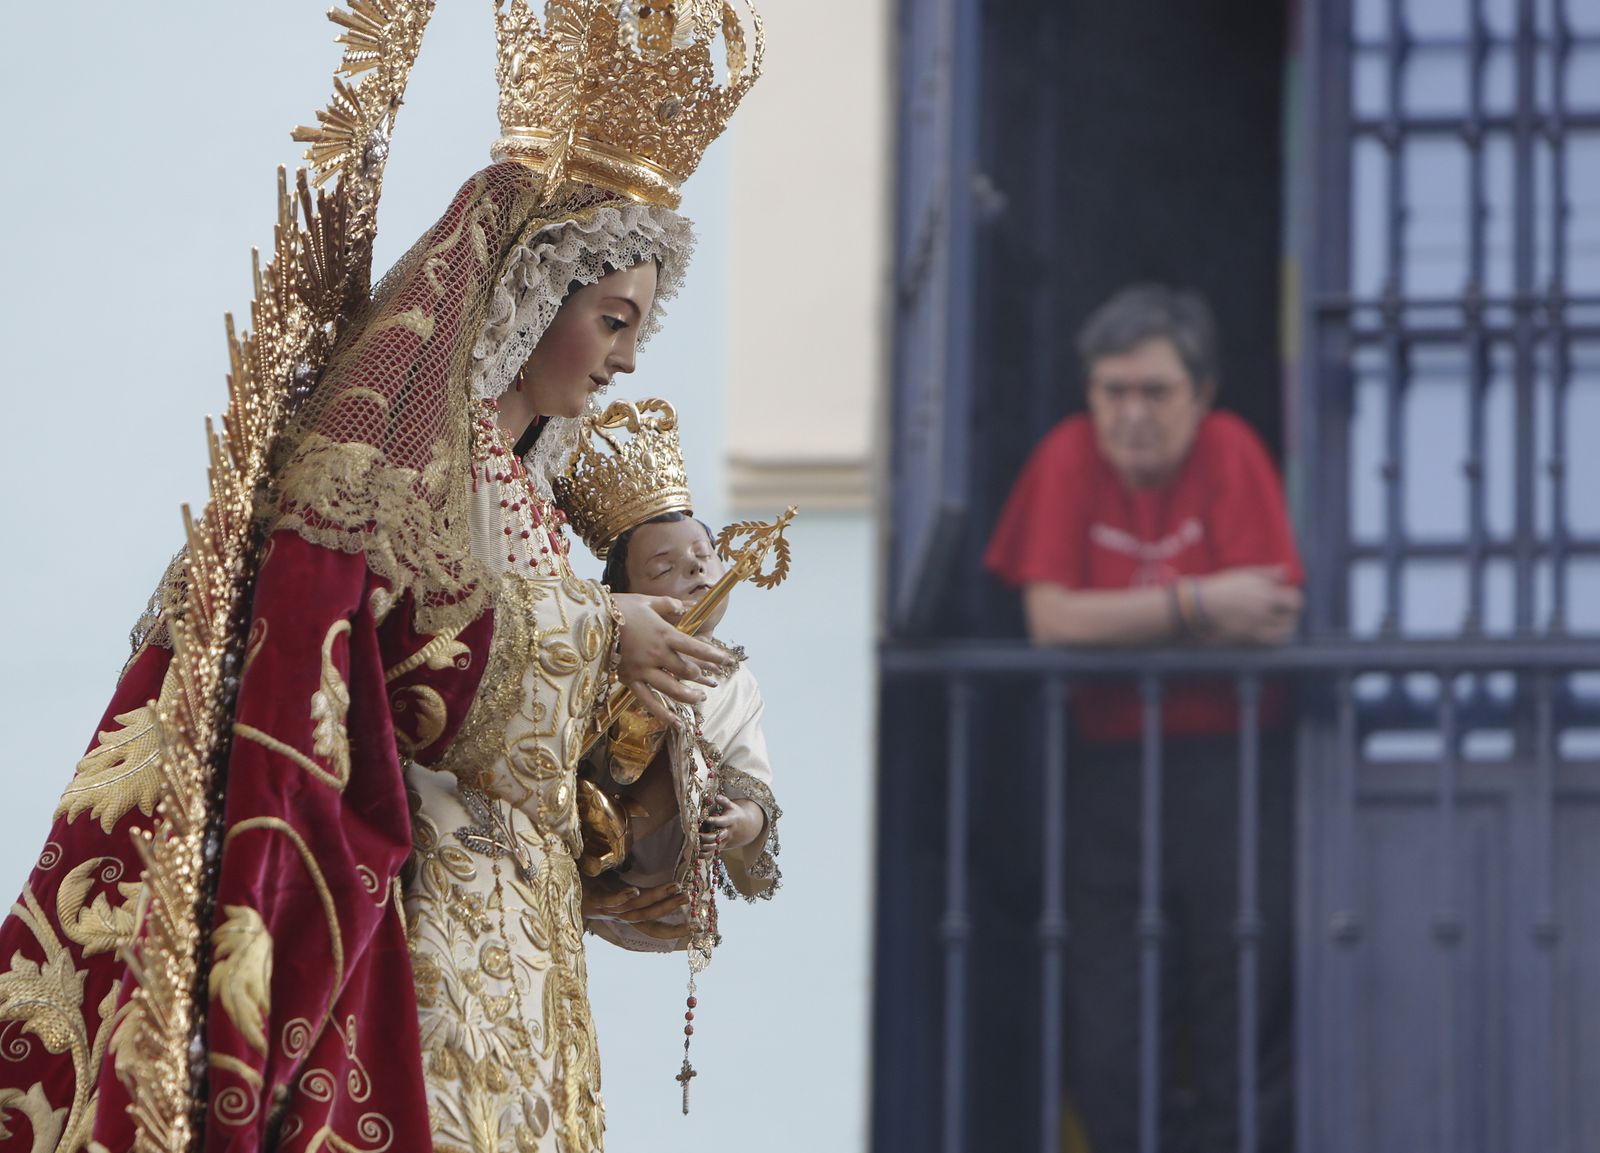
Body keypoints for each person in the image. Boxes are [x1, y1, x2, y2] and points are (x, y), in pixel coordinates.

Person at [0, 4, 762, 1151]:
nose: (627, 357)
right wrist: (603, 634)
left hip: (531, 954)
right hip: (424, 941)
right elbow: (371, 653)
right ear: (527, 292)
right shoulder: (399, 466)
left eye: (640, 329)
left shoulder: (532, 504)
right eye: (611, 320)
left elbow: (545, 753)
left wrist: (666, 782)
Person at [985, 284, 1303, 1152]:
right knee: (1113, 1025)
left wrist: (1121, 617)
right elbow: (1052, 621)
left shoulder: (1233, 452)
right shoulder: (1065, 457)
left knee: (1241, 998)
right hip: (1108, 778)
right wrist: (1200, 602)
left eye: (1155, 392)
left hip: (1230, 772)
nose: (1131, 414)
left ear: (1201, 397)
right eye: (1112, 391)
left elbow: (1271, 611)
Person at [582, 509, 782, 949]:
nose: (694, 568)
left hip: (661, 865)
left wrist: (741, 822)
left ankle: (622, 829)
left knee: (695, 750)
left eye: (703, 556)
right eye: (664, 567)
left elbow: (749, 776)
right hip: (578, 826)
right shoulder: (597, 661)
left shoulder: (736, 683)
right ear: (626, 599)